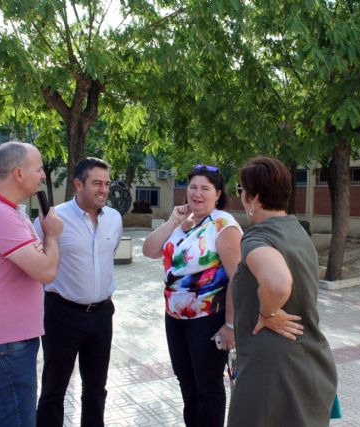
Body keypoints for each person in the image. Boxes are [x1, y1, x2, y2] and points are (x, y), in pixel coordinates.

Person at [227, 156, 338, 427]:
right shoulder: (297, 231)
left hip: (271, 373)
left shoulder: (258, 237)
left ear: (253, 198)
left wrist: (267, 312)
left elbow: (278, 283)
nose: (240, 196)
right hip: (309, 362)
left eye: (241, 190)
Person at [0, 141, 63, 427]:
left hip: (7, 342)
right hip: (2, 345)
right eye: (39, 168)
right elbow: (45, 270)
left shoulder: (10, 211)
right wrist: (52, 235)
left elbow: (34, 262)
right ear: (19, 173)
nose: (43, 175)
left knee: (5, 418)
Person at [143, 164, 242, 427]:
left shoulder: (223, 225)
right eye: (193, 187)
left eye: (205, 189)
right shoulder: (182, 223)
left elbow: (238, 278)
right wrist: (173, 220)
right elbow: (149, 250)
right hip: (174, 318)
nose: (197, 194)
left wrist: (231, 326)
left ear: (218, 194)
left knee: (207, 388)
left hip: (208, 319)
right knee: (186, 382)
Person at [35, 157, 123, 427]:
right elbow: (37, 263)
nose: (104, 190)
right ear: (77, 184)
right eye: (97, 183)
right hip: (61, 314)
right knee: (53, 390)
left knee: (97, 389)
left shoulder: (115, 219)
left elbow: (109, 256)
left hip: (102, 314)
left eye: (107, 184)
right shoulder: (53, 218)